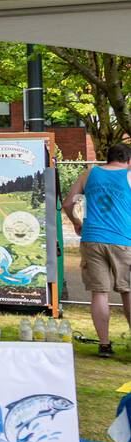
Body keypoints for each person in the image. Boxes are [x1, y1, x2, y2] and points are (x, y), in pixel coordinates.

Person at [64, 142, 131, 358]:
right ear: (128, 160)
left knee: (99, 292)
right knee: (128, 291)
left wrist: (76, 222)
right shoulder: (129, 175)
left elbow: (67, 203)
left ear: (107, 158)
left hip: (92, 237)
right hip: (123, 239)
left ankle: (104, 344)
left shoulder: (89, 173)